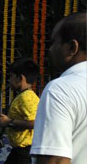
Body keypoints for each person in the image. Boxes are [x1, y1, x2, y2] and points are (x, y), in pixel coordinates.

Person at [31, 12, 86, 164]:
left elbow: (55, 160)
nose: (50, 50)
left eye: (53, 43)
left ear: (72, 48)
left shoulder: (60, 90)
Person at [0, 58, 39, 164]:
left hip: (24, 152)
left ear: (20, 78)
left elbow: (35, 122)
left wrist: (8, 121)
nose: (9, 80)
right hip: (19, 150)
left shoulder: (26, 98)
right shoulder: (26, 95)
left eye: (11, 76)